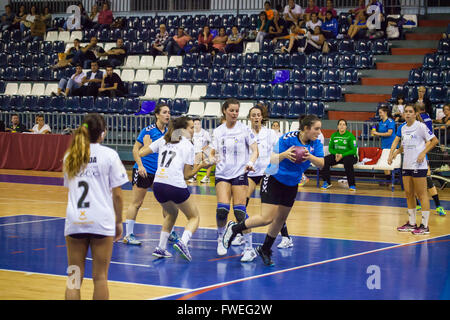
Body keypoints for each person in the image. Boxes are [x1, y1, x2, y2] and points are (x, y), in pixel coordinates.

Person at [222, 115, 324, 266]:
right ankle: (234, 228)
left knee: (280, 219)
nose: (319, 131)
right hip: (274, 178)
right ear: (306, 128)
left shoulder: (316, 143)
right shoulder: (287, 139)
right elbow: (272, 159)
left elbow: (321, 164)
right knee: (267, 218)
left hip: (292, 184)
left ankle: (265, 249)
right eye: (316, 128)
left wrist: (310, 157)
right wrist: (285, 154)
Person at [63, 113, 128, 300]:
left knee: (73, 278)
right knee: (100, 277)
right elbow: (117, 195)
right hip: (102, 220)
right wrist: (119, 221)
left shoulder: (71, 155)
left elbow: (70, 187)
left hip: (76, 220)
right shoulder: (109, 155)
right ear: (102, 133)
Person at [138, 117, 212, 261]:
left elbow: (140, 153)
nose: (193, 131)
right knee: (194, 217)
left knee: (171, 213)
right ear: (182, 130)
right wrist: (201, 166)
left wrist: (146, 144)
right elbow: (187, 175)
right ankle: (183, 242)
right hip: (175, 184)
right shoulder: (188, 145)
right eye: (191, 128)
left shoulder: (163, 139)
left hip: (158, 184)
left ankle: (161, 247)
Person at [208, 98, 259, 257]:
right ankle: (221, 239)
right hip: (222, 174)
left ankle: (249, 248)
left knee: (240, 212)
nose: (235, 113)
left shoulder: (244, 129)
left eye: (237, 111)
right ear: (225, 111)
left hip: (239, 173)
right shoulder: (218, 131)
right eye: (232, 110)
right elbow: (211, 152)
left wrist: (251, 162)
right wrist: (211, 158)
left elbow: (255, 150)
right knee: (222, 209)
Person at [124, 103, 177, 245]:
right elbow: (136, 149)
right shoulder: (148, 130)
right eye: (165, 112)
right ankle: (128, 235)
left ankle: (170, 232)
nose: (168, 115)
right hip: (144, 171)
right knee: (137, 203)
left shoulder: (168, 133)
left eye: (169, 112)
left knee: (167, 203)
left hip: (159, 174)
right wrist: (140, 166)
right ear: (157, 115)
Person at [233, 104, 279, 261]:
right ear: (249, 118)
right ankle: (241, 232)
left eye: (258, 115)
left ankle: (286, 237)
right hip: (252, 172)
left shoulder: (270, 133)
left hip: (268, 172)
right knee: (242, 203)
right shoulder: (245, 133)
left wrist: (276, 170)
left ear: (262, 117)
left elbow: (277, 151)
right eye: (253, 115)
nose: (256, 117)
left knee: (273, 207)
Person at [388, 105, 438, 235]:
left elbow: (434, 141)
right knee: (409, 193)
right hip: (407, 165)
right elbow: (405, 146)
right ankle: (411, 223)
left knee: (422, 195)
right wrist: (396, 152)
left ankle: (425, 226)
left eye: (411, 112)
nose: (408, 114)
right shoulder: (403, 128)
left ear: (415, 114)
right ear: (404, 114)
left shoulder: (420, 126)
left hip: (419, 166)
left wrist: (423, 153)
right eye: (406, 112)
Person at [320, 119, 357, 191]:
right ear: (337, 126)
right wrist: (336, 154)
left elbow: (354, 150)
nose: (342, 126)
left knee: (348, 163)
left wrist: (342, 155)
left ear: (346, 127)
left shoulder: (350, 136)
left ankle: (352, 185)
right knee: (324, 161)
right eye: (340, 124)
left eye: (343, 124)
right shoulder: (334, 135)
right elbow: (330, 148)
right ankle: (327, 182)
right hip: (337, 155)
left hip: (349, 156)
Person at [372, 106, 396, 186]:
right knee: (384, 163)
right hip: (384, 145)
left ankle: (390, 181)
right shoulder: (380, 122)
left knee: (389, 163)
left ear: (385, 112)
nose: (379, 114)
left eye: (380, 113)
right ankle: (388, 180)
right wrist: (374, 133)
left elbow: (389, 133)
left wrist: (378, 133)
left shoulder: (390, 121)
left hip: (391, 145)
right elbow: (380, 133)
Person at [191, 118, 213, 184]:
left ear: (201, 125)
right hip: (195, 152)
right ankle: (194, 176)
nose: (197, 125)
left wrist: (206, 147)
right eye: (195, 124)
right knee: (196, 158)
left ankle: (207, 177)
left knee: (204, 159)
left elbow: (212, 143)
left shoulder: (205, 133)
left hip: (205, 151)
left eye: (198, 124)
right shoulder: (192, 133)